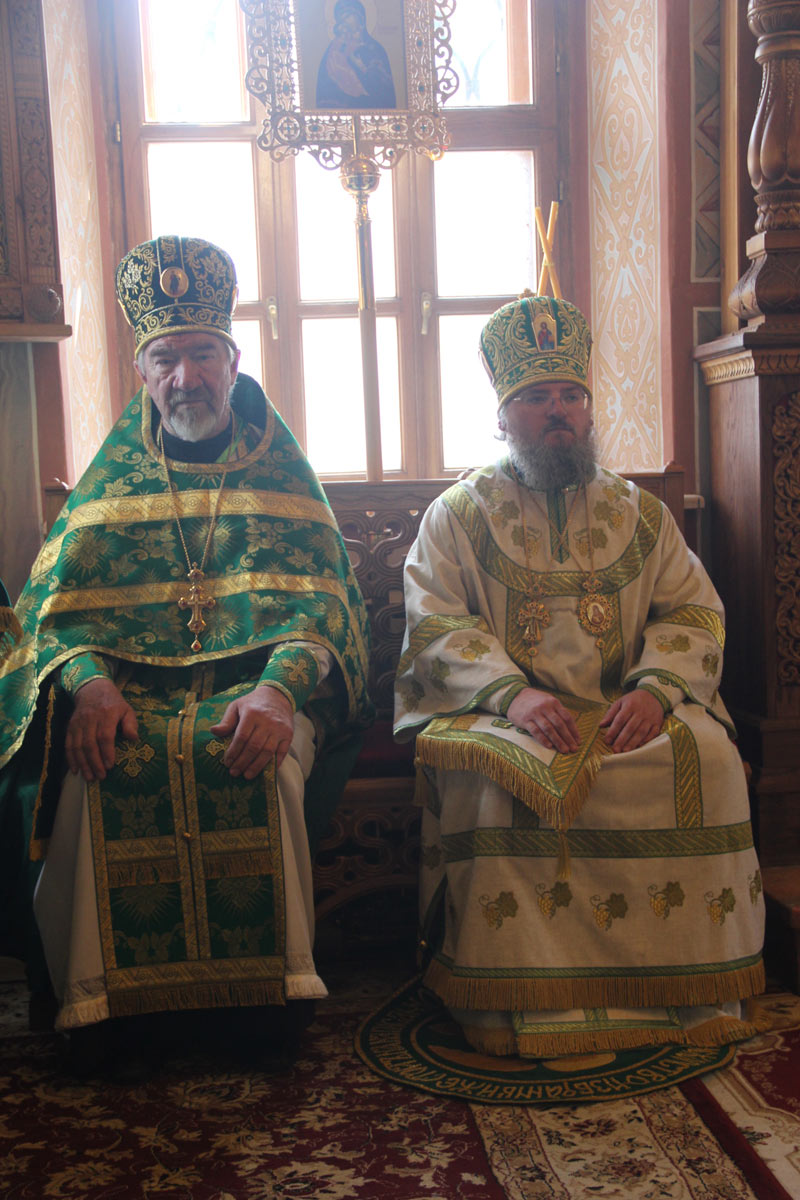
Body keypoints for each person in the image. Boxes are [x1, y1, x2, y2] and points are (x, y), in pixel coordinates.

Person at [0, 236, 372, 1072]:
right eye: (165, 359)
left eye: (203, 355)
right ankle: (107, 1019)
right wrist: (91, 689)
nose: (185, 377)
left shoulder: (282, 475)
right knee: (94, 773)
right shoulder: (111, 484)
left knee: (263, 766)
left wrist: (279, 692)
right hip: (128, 701)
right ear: (142, 371)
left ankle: (263, 1016)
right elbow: (48, 619)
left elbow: (327, 610)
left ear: (233, 362)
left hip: (257, 694)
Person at [394, 291, 767, 1059]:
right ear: (504, 414)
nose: (558, 412)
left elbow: (693, 610)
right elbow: (436, 624)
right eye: (537, 398)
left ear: (589, 410)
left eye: (571, 395)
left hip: (626, 710)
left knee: (711, 758)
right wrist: (512, 695)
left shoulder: (639, 513)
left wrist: (656, 689)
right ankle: (517, 1005)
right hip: (501, 713)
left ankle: (688, 994)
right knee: (498, 783)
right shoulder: (458, 515)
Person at [316, 0, 396, 110]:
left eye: (356, 29)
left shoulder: (375, 49)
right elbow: (325, 90)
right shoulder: (334, 49)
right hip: (340, 111)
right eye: (344, 22)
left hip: (373, 111)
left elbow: (384, 90)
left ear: (362, 23)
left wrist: (361, 67)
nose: (354, 34)